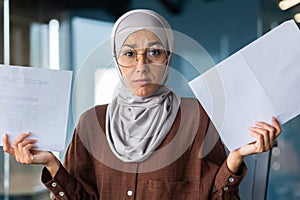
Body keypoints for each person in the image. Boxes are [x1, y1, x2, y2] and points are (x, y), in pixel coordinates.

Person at [3, 9, 281, 199]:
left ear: (169, 59)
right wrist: (52, 164)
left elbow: (217, 197)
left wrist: (235, 159)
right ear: (116, 59)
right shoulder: (91, 124)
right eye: (129, 53)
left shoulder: (198, 118)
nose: (141, 65)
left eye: (154, 53)